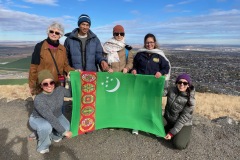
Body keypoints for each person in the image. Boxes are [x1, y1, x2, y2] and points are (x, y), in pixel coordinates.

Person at [131, 33, 171, 135]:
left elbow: (166, 67)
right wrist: (134, 70)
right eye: (147, 42)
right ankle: (136, 125)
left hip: (153, 86)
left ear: (155, 43)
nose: (149, 44)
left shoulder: (159, 55)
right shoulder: (140, 54)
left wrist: (160, 72)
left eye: (151, 42)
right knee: (138, 104)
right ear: (145, 43)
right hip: (140, 84)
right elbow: (134, 65)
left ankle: (153, 126)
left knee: (152, 106)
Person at [28, 70, 72, 154]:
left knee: (65, 127)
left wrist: (69, 80)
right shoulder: (39, 99)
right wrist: (64, 132)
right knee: (46, 126)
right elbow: (50, 117)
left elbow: (69, 93)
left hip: (57, 115)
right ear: (40, 85)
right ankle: (43, 146)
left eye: (51, 82)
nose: (49, 86)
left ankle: (49, 135)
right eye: (45, 84)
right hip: (39, 119)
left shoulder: (59, 90)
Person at [29, 22, 74, 95]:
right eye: (51, 31)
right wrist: (32, 85)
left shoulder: (62, 49)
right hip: (44, 84)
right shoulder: (40, 46)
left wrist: (75, 71)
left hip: (58, 84)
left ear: (60, 35)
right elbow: (34, 67)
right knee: (44, 105)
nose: (54, 34)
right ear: (48, 32)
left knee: (58, 105)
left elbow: (65, 66)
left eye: (57, 33)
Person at [163, 73, 195, 150]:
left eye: (185, 83)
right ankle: (170, 130)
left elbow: (183, 119)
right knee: (153, 122)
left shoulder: (190, 100)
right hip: (168, 120)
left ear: (188, 85)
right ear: (176, 83)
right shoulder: (172, 90)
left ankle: (182, 135)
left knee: (179, 145)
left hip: (183, 124)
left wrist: (171, 133)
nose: (182, 85)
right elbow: (161, 93)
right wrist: (164, 80)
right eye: (179, 82)